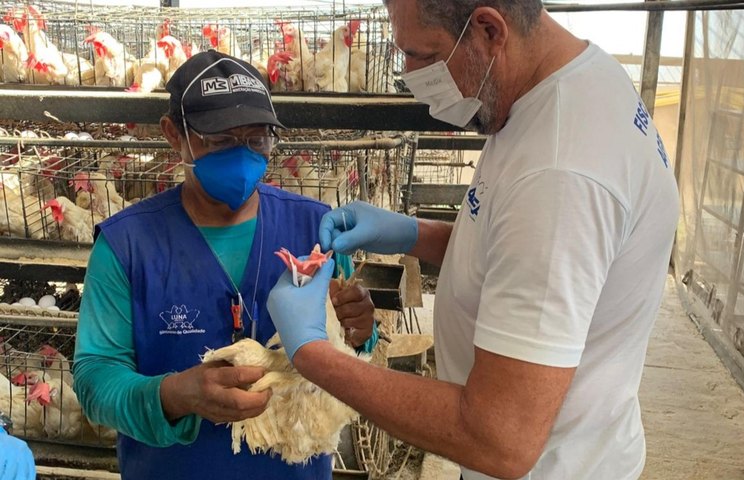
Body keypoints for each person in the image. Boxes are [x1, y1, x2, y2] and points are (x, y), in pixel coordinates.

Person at [265, 1, 680, 479]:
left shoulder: (560, 173)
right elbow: (518, 253)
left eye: (423, 54)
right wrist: (412, 232)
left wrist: (314, 355)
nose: (410, 73)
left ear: (488, 30)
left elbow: (499, 440)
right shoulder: (568, 79)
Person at [72, 50, 377, 480]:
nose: (241, 155)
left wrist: (359, 329)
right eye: (218, 141)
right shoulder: (128, 246)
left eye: (257, 140)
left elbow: (352, 346)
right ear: (173, 135)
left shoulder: (316, 228)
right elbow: (95, 378)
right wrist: (175, 394)